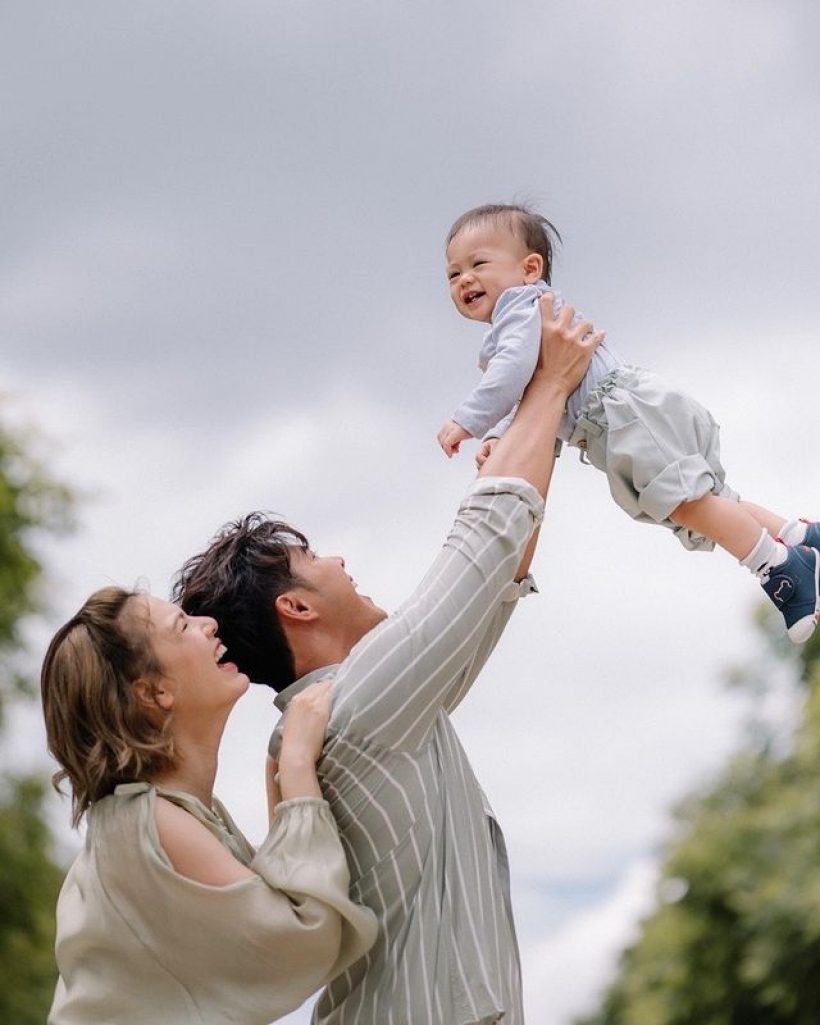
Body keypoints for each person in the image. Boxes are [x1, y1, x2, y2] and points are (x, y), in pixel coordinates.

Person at [173, 302, 601, 1025]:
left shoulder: (367, 703)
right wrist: (550, 384)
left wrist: (538, 426)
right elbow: (484, 542)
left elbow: (496, 576)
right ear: (297, 609)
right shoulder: (357, 702)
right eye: (315, 558)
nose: (339, 559)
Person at [437, 202, 820, 644]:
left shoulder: (519, 307)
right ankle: (800, 536)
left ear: (529, 268)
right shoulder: (523, 316)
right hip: (630, 413)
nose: (464, 279)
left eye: (478, 264)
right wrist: (500, 436)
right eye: (452, 273)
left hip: (620, 415)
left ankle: (783, 568)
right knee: (709, 500)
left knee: (685, 504)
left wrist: (466, 420)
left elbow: (511, 372)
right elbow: (526, 389)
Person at [40, 586, 377, 1025]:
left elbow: (266, 910)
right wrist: (294, 765)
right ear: (155, 692)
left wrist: (281, 774)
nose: (208, 623)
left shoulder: (171, 814)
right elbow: (299, 940)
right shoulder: (150, 823)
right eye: (182, 626)